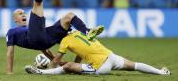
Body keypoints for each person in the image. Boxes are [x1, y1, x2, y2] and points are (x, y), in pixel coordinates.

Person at [6, 0, 104, 74]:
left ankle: (86, 34)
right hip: (36, 39)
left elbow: (44, 48)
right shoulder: (11, 32)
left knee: (70, 17)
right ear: (15, 19)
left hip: (46, 38)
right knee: (37, 3)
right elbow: (10, 52)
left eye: (23, 12)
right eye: (19, 13)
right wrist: (9, 72)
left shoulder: (32, 28)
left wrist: (54, 60)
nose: (23, 14)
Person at [25, 31, 171, 76]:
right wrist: (78, 65)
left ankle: (39, 72)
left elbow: (56, 60)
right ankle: (162, 73)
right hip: (110, 56)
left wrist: (48, 66)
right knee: (134, 65)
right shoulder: (78, 33)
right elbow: (82, 52)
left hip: (102, 66)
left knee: (68, 66)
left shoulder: (65, 41)